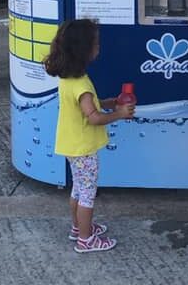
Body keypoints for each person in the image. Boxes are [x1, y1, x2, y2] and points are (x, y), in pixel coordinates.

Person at [44, 19, 135, 253]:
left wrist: (108, 102)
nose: (99, 47)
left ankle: (78, 228)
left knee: (77, 189)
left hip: (71, 144)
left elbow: (87, 106)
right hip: (83, 147)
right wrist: (119, 113)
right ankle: (86, 239)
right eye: (96, 43)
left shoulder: (68, 79)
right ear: (85, 50)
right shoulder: (82, 84)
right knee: (87, 193)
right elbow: (93, 117)